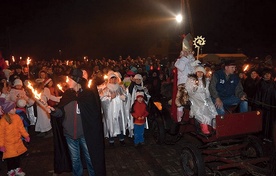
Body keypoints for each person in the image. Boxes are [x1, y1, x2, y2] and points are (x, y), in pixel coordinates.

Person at [52, 68, 106, 176]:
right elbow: (61, 112)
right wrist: (53, 111)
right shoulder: (67, 95)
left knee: (90, 158)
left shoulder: (88, 95)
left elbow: (94, 115)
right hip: (69, 134)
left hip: (85, 134)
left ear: (76, 80)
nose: (67, 82)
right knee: (75, 160)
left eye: (69, 79)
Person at [0, 99, 30, 176]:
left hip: (17, 141)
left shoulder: (17, 117)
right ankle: (10, 170)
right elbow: (1, 134)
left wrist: (26, 135)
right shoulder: (3, 121)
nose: (15, 109)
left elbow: (21, 128)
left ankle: (17, 169)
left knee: (17, 156)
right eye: (13, 108)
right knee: (10, 158)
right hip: (8, 144)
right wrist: (1, 145)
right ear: (8, 110)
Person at [185, 66, 217, 134]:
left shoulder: (205, 80)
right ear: (196, 72)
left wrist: (208, 97)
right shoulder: (191, 80)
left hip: (204, 97)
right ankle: (204, 125)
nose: (200, 74)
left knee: (211, 108)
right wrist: (194, 88)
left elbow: (207, 91)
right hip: (195, 97)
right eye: (198, 72)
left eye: (201, 72)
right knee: (201, 109)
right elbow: (189, 91)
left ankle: (214, 125)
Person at [99, 70, 127, 147]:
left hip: (119, 110)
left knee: (120, 123)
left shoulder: (120, 88)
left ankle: (121, 139)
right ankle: (111, 140)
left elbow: (125, 95)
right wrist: (110, 97)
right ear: (109, 79)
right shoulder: (105, 89)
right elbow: (101, 98)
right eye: (112, 78)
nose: (113, 80)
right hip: (110, 111)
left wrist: (123, 97)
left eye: (115, 78)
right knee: (111, 124)